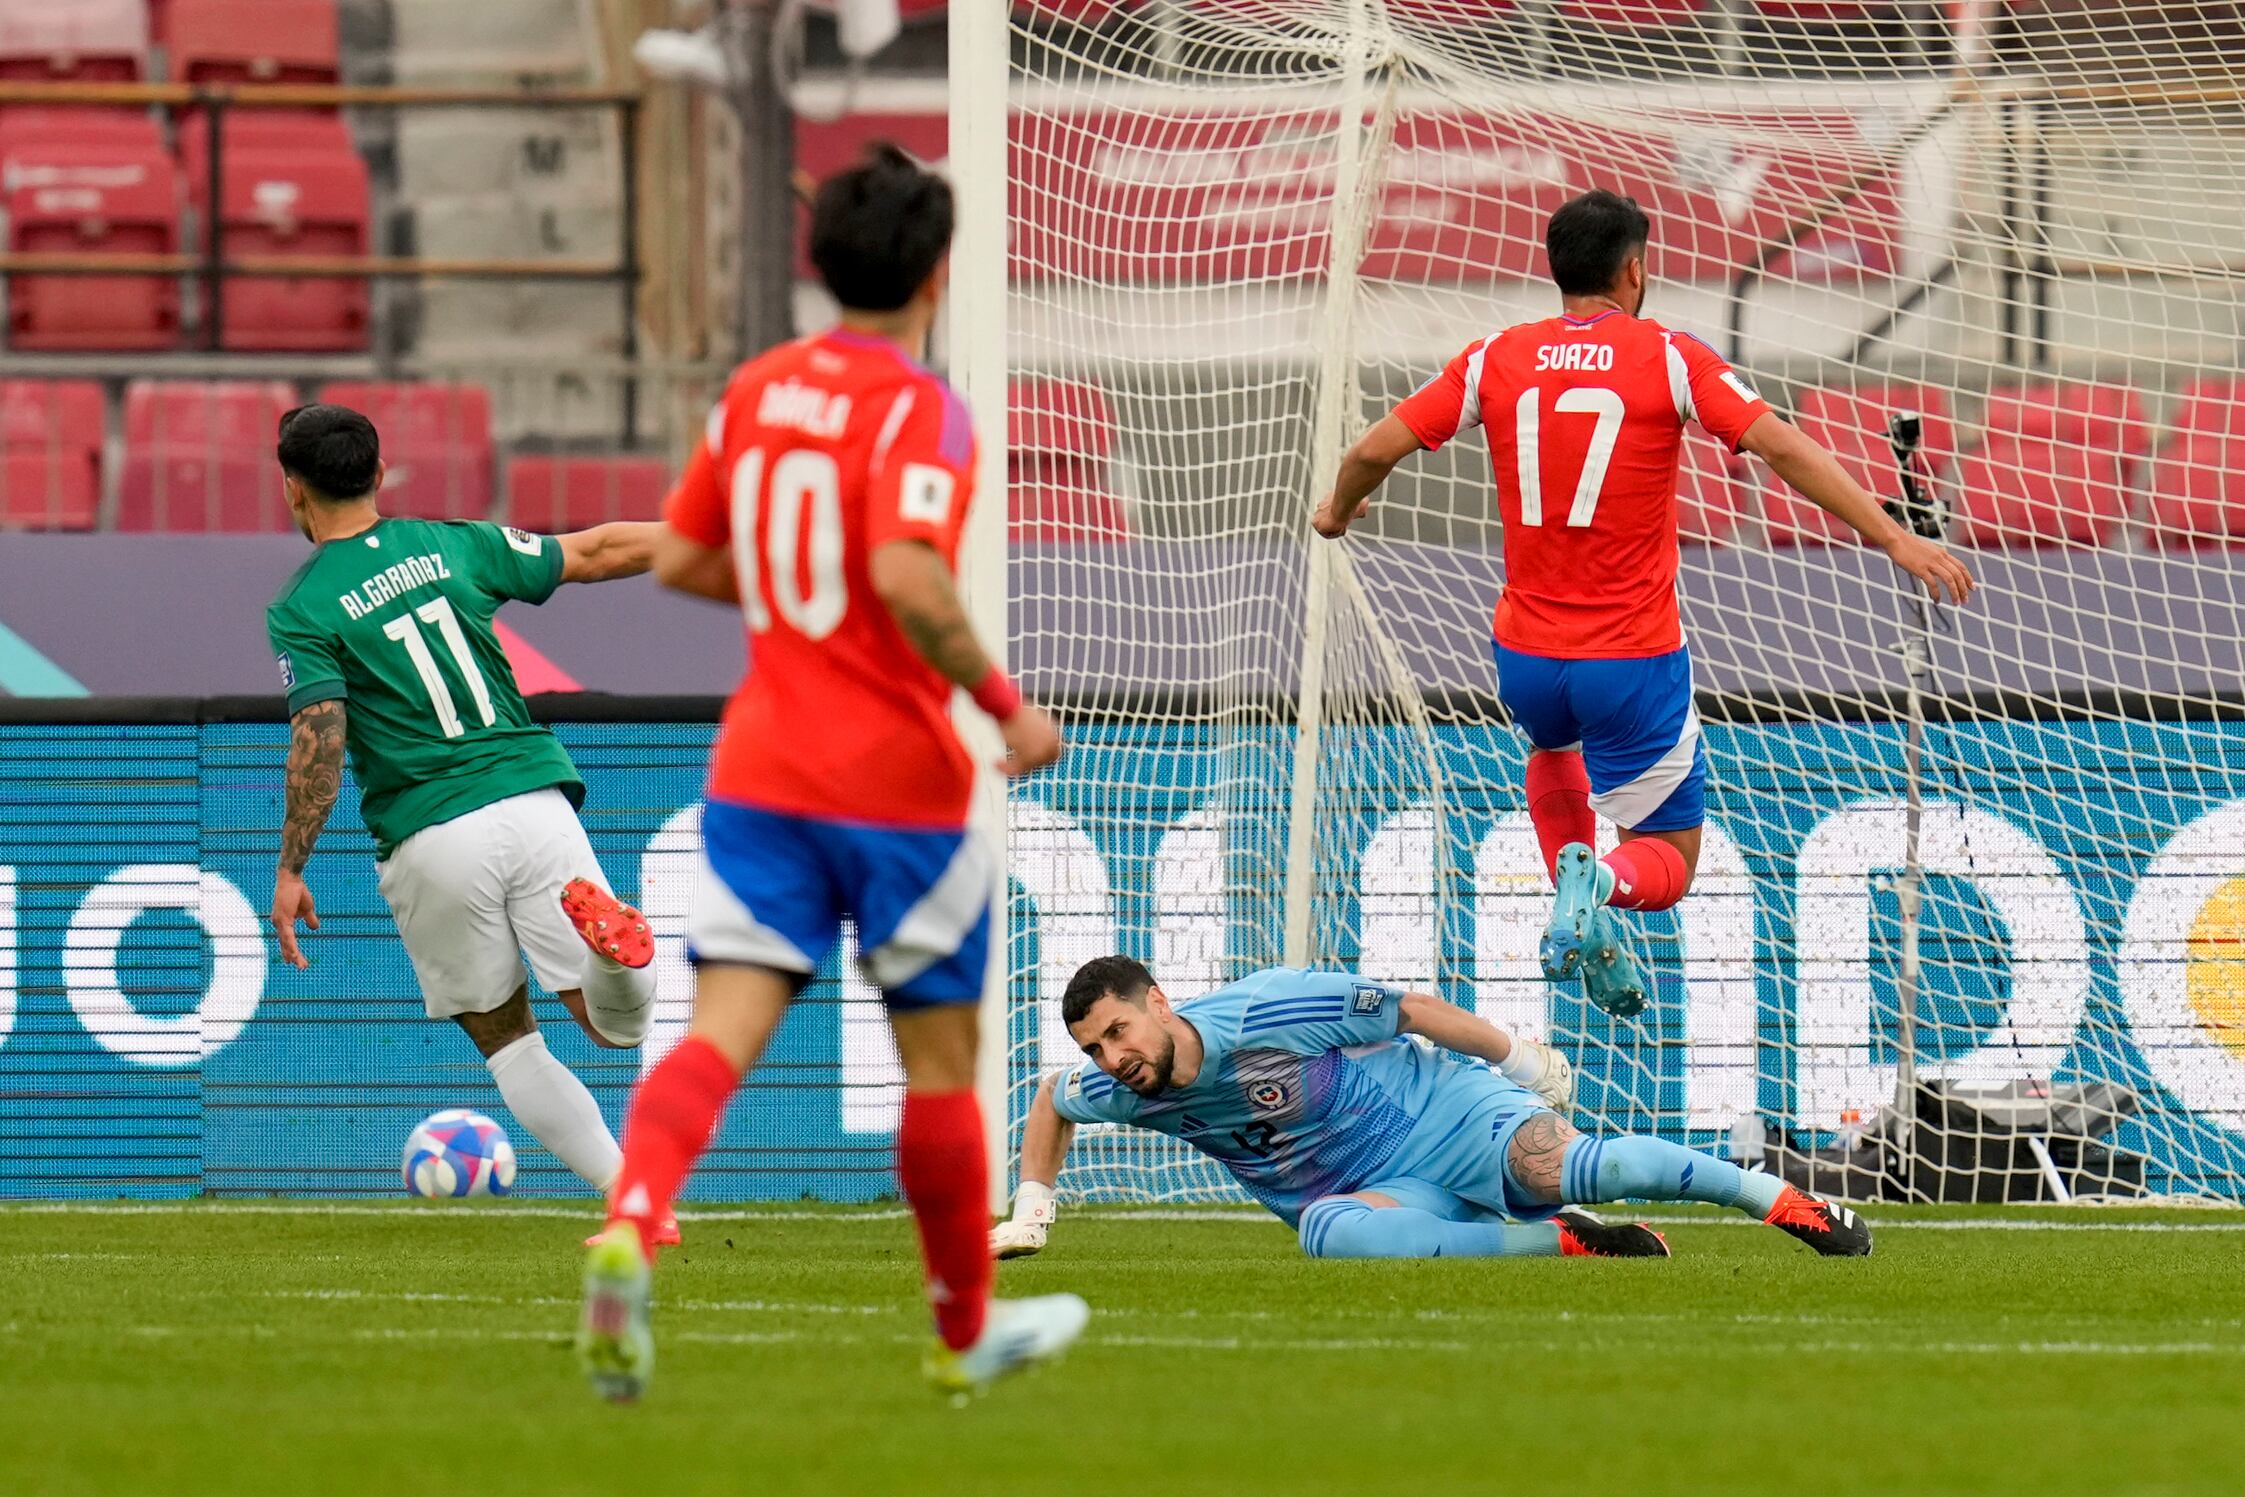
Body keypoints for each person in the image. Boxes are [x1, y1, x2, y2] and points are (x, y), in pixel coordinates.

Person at [576, 144, 1087, 1405]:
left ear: (817, 263)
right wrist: (1006, 708)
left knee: (719, 1033)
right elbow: (908, 571)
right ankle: (962, 1334)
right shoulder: (924, 408)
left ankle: (630, 1222)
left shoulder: (758, 390)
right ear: (938, 271)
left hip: (762, 770)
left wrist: (799, 596)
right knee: (941, 1066)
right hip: (899, 785)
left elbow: (683, 558)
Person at [1312, 189, 1975, 1017]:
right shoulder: (1667, 356)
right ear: (1633, 270)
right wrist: (1894, 537)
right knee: (1666, 859)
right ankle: (1597, 886)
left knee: (1552, 747)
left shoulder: (1494, 358)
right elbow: (1779, 446)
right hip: (1628, 657)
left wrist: (1338, 510)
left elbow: (1372, 449)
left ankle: (1575, 895)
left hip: (1525, 657)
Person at [262, 403, 668, 1232]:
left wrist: (292, 864)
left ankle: (632, 1195)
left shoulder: (302, 605)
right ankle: (618, 958)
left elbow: (321, 736)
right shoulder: (451, 543)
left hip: (431, 829)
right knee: (613, 1028)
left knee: (508, 1040)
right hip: (532, 798)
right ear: (380, 474)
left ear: (292, 489)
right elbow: (594, 552)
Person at [992, 956, 1870, 1261]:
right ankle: (1566, 1243)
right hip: (1392, 1193)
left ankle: (1786, 1203)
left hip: (1451, 1118)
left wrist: (1522, 1059)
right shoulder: (1127, 1086)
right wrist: (1033, 1207)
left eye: (1117, 1031)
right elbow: (1049, 1099)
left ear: (1157, 1000)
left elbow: (1409, 1009)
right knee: (1324, 1234)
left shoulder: (1268, 1010)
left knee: (1578, 1165)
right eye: (1094, 1048)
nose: (1111, 1059)